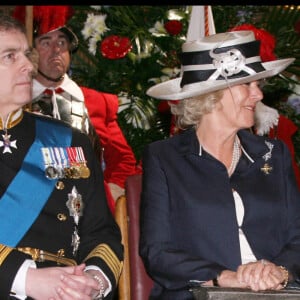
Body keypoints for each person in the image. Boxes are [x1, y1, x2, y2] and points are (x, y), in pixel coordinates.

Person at [140, 30, 300, 299]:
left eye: (257, 84)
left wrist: (279, 271)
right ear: (211, 95)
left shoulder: (274, 154)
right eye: (247, 85)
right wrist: (224, 278)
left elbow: (298, 237)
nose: (258, 95)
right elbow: (157, 252)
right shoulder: (164, 158)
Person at [0, 14, 123, 299]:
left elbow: (101, 232)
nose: (29, 66)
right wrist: (25, 279)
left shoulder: (70, 141)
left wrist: (95, 278)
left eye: (26, 54)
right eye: (9, 56)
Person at [13, 5, 139, 214]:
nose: (56, 50)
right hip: (32, 213)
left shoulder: (96, 101)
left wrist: (111, 192)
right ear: (30, 52)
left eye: (62, 43)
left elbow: (123, 160)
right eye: (46, 42)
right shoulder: (13, 101)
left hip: (88, 211)